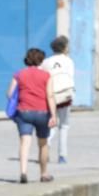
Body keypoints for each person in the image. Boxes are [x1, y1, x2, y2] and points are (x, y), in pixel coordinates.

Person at [6, 48, 58, 183]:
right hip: (42, 112)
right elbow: (50, 96)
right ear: (41, 60)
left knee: (25, 143)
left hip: (24, 112)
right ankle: (44, 174)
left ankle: (23, 173)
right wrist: (53, 115)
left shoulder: (19, 74)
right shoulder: (47, 76)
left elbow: (10, 94)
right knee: (43, 143)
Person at [40, 36, 75, 164]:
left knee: (51, 124)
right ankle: (62, 155)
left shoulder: (46, 62)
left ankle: (46, 147)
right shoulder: (69, 61)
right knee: (64, 125)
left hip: (51, 95)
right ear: (65, 47)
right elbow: (70, 77)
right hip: (65, 95)